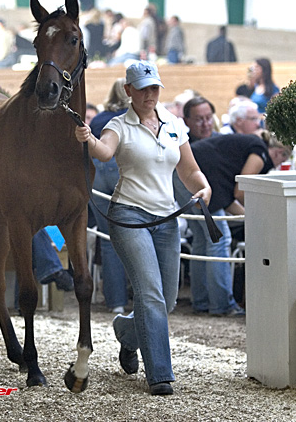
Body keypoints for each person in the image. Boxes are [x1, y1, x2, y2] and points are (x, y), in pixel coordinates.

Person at [75, 60, 212, 395]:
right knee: (150, 294)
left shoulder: (175, 124)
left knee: (165, 302)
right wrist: (88, 139)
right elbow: (105, 153)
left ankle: (126, 333)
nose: (150, 93)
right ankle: (160, 375)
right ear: (128, 91)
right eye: (143, 87)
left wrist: (204, 186)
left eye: (154, 87)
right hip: (129, 216)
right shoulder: (119, 126)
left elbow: (189, 169)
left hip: (167, 220)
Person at [174, 132, 292, 317]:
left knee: (202, 239)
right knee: (219, 239)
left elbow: (229, 199)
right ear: (279, 152)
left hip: (182, 172)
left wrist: (251, 216)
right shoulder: (260, 152)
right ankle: (222, 305)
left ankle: (202, 301)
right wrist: (261, 215)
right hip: (199, 176)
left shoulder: (246, 145)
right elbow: (240, 191)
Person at [86, 78, 130, 313]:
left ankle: (117, 302)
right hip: (118, 166)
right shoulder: (132, 116)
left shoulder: (100, 117)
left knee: (109, 236)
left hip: (95, 172)